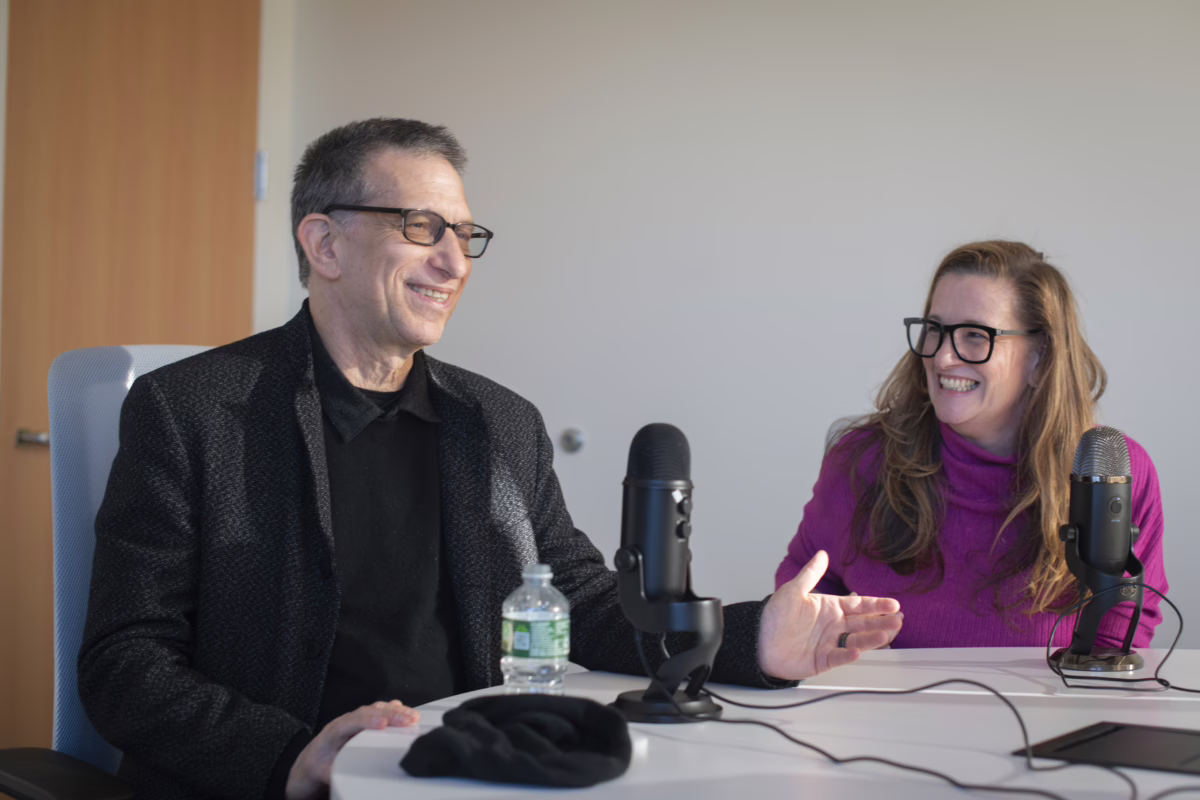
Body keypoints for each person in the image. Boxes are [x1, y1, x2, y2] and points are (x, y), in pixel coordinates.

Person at [79, 118, 903, 800]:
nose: (455, 261)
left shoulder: (499, 422)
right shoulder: (192, 412)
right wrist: (290, 757)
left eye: (465, 233)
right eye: (422, 228)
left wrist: (753, 642)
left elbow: (583, 600)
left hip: (466, 773)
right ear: (324, 243)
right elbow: (126, 662)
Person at [776, 241, 1166, 649]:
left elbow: (1121, 628)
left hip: (1049, 711)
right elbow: (803, 588)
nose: (943, 358)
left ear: (1040, 357)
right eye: (936, 330)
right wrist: (846, 648)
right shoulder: (861, 460)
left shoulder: (1115, 475)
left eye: (975, 336)